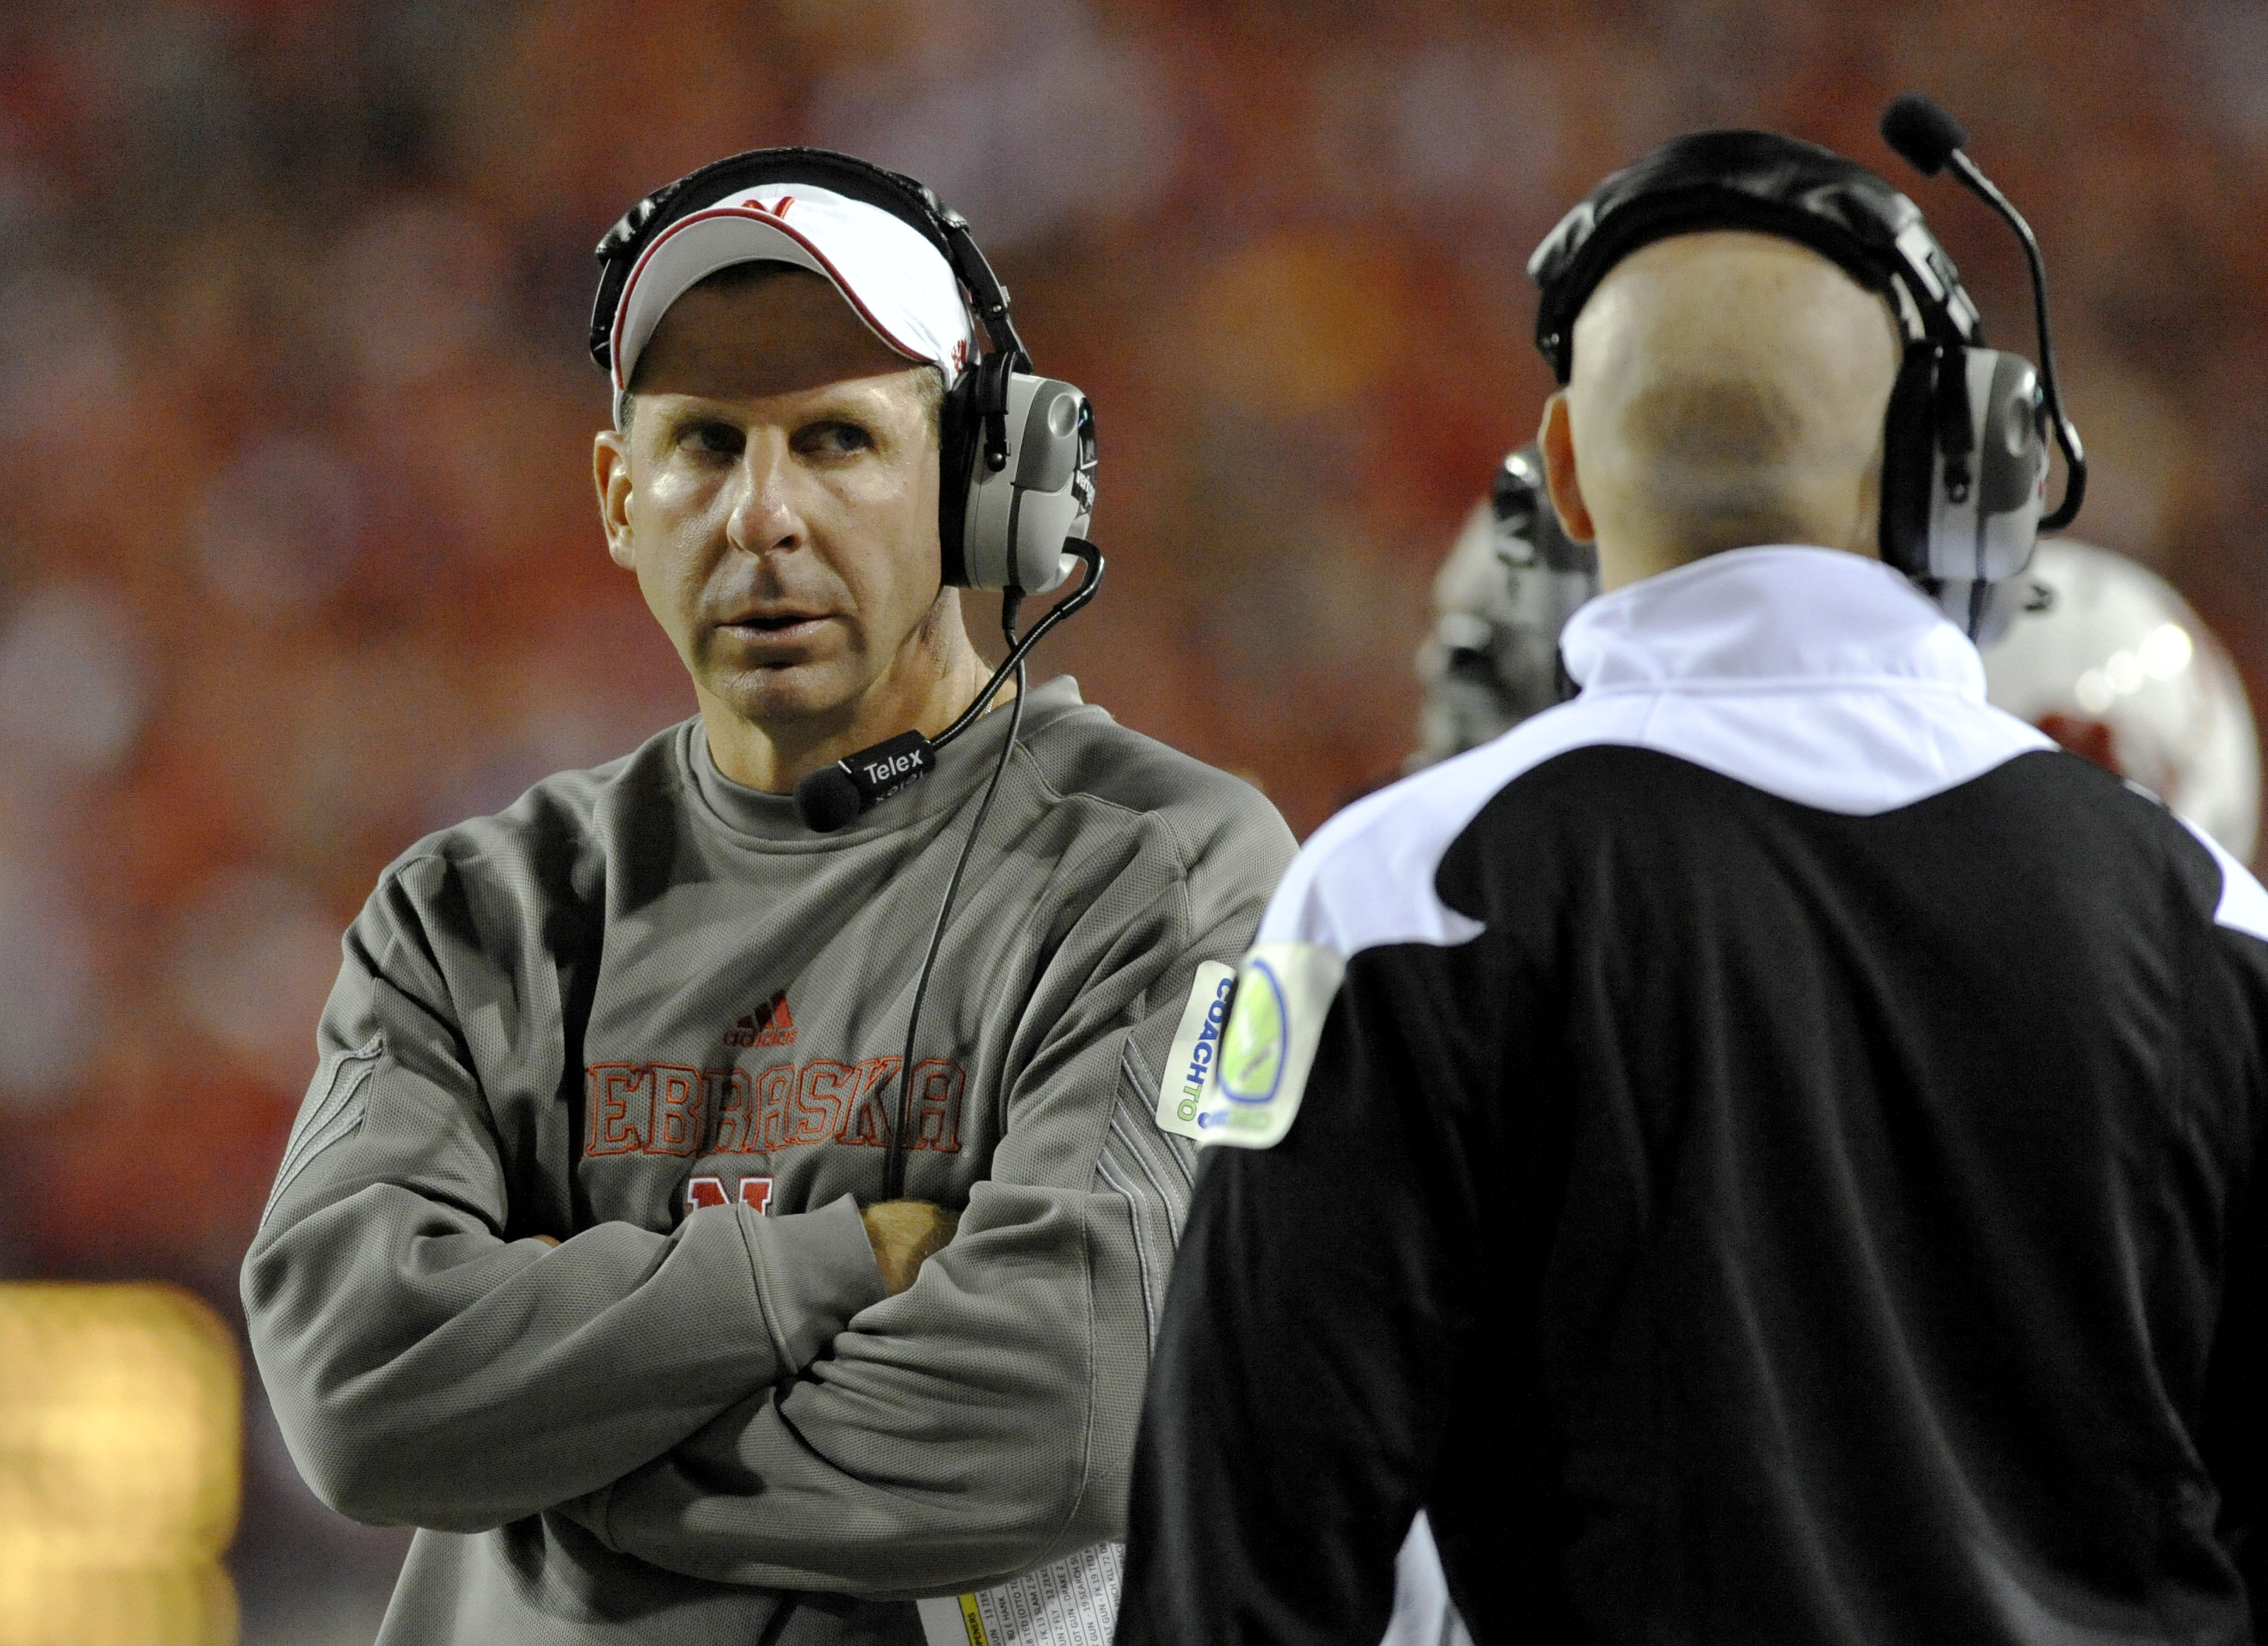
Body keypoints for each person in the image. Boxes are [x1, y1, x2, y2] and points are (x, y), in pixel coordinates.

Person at [1114, 128, 2268, 1646]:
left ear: (1571, 475)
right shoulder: (2210, 919)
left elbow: (1245, 1571)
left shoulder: (1396, 896)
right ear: (1961, 466)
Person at [241, 147, 1294, 1646]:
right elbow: (355, 1393)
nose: (763, 515)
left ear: (988, 482)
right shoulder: (472, 914)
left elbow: (1089, 1394)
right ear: (619, 496)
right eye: (707, 445)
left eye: (839, 441)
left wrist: (549, 1458)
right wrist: (845, 1260)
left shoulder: (1181, 871)